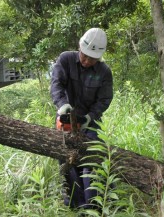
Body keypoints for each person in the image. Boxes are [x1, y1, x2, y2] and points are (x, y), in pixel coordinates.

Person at [50, 28, 113, 209]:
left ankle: (92, 206)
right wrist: (62, 104)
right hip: (66, 118)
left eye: (91, 58)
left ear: (99, 57)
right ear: (80, 47)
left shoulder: (104, 72)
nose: (86, 61)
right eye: (84, 56)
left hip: (89, 122)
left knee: (90, 159)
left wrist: (89, 117)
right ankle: (74, 205)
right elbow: (56, 83)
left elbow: (104, 99)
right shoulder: (65, 59)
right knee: (66, 158)